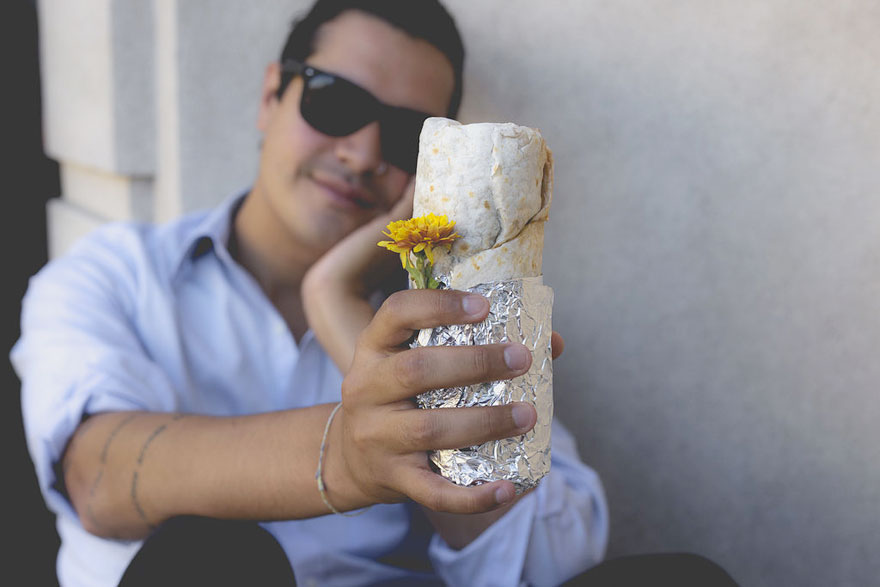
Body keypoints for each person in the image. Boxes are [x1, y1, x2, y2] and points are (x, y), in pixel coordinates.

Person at [14, 1, 742, 585]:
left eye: (402, 135)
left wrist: (339, 310)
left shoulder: (454, 312)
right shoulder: (116, 276)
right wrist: (349, 454)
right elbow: (101, 478)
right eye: (333, 103)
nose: (361, 154)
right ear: (272, 94)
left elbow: (552, 567)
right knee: (212, 558)